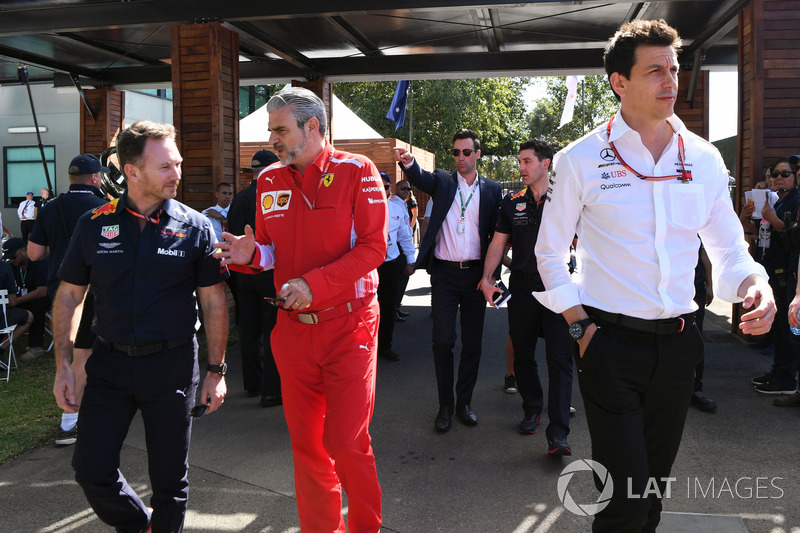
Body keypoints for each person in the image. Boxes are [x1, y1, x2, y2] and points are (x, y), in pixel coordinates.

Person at [533, 20, 775, 533]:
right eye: (655, 71)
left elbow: (728, 245)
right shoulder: (580, 159)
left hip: (680, 348)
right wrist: (579, 326)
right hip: (609, 345)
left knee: (652, 492)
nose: (671, 81)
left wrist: (755, 284)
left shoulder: (705, 159)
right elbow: (549, 253)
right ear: (619, 82)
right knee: (624, 502)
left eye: (675, 68)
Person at [217, 87, 386, 533]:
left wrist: (314, 285)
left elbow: (374, 248)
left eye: (279, 129)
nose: (271, 138)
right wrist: (250, 255)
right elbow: (270, 251)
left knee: (348, 444)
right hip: (293, 333)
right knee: (308, 447)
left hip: (351, 327)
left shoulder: (359, 170)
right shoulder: (269, 180)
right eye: (271, 129)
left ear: (312, 127)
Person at [52, 120, 229, 533]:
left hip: (171, 366)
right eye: (166, 166)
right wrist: (64, 364)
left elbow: (214, 300)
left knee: (170, 483)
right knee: (91, 469)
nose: (177, 174)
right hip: (110, 365)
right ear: (132, 171)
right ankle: (139, 525)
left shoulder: (196, 226)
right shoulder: (94, 223)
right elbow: (68, 296)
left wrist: (216, 370)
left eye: (178, 164)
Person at [394, 129, 502, 432]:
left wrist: (492, 276)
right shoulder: (443, 180)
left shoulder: (492, 190)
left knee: (473, 344)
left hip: (476, 276)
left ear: (478, 154)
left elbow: (498, 234)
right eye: (456, 152)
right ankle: (444, 405)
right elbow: (421, 179)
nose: (461, 158)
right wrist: (410, 163)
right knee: (442, 341)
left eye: (466, 152)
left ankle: (463, 402)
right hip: (444, 273)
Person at [478, 139, 574, 456]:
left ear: (545, 164)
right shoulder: (512, 202)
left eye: (527, 161)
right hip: (521, 287)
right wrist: (488, 277)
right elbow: (497, 244)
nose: (521, 167)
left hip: (558, 288)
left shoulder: (566, 200)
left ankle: (558, 433)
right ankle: (532, 408)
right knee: (522, 354)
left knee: (560, 358)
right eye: (520, 161)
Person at [28, 153, 108, 446]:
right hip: (96, 289)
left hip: (60, 291)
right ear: (96, 178)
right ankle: (78, 419)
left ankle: (71, 419)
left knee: (72, 352)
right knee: (91, 352)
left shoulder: (51, 208)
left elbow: (35, 253)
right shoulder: (106, 207)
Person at [226, 149, 282, 406]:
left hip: (242, 276)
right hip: (265, 271)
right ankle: (270, 390)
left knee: (248, 329)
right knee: (272, 331)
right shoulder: (271, 195)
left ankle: (252, 383)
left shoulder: (238, 198)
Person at [741, 157, 800, 395]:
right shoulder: (773, 200)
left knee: (789, 327)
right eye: (774, 174)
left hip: (789, 272)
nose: (777, 178)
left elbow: (793, 239)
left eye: (784, 174)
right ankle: (778, 373)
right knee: (780, 326)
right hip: (770, 267)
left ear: (794, 177)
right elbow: (761, 235)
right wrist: (747, 219)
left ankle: (785, 379)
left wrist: (773, 218)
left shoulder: (795, 201)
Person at [377, 173, 415, 361]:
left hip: (389, 265)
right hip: (366, 268)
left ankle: (385, 347)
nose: (382, 190)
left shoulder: (396, 208)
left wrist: (410, 260)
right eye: (378, 185)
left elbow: (405, 236)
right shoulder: (357, 206)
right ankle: (363, 347)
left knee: (388, 308)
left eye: (385, 186)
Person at [2, 238, 49, 361]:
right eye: (9, 258)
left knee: (36, 303)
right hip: (22, 299)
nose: (12, 260)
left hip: (45, 298)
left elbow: (42, 291)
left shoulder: (40, 262)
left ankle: (36, 347)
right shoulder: (12, 267)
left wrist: (17, 301)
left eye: (14, 257)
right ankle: (3, 344)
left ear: (24, 250)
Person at [690, 246, 718, 411]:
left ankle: (696, 389)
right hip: (664, 288)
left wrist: (709, 284)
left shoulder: (696, 220)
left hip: (696, 286)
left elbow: (704, 251)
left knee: (696, 337)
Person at [394, 179, 416, 321]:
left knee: (402, 280)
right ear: (396, 189)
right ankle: (393, 310)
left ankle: (396, 308)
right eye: (403, 188)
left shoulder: (403, 204)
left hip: (403, 248)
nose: (406, 191)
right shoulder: (394, 205)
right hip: (397, 249)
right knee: (397, 281)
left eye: (408, 189)